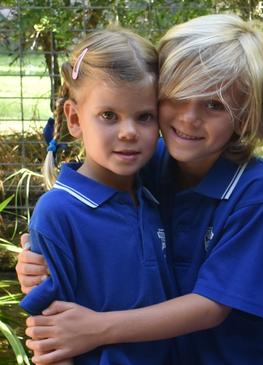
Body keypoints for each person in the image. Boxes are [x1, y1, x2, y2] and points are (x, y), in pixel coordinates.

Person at [16, 14, 263, 365]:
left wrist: (96, 328)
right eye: (178, 96)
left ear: (245, 116)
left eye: (214, 104)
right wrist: (38, 260)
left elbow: (211, 306)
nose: (189, 118)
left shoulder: (255, 191)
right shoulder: (144, 164)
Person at [19, 27, 173, 365]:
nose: (129, 132)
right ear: (75, 119)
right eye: (108, 115)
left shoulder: (153, 193)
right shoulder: (57, 213)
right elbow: (50, 338)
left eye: (144, 116)